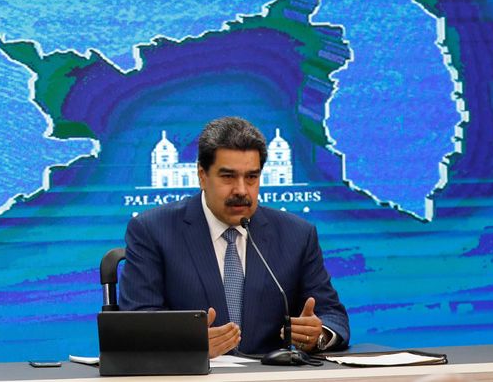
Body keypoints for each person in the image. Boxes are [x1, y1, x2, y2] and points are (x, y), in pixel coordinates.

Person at [118, 116, 350, 357]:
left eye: (251, 177)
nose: (241, 190)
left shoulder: (297, 235)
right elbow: (137, 321)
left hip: (269, 373)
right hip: (192, 374)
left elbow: (332, 316)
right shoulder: (153, 230)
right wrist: (188, 344)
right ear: (202, 175)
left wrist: (318, 336)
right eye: (228, 177)